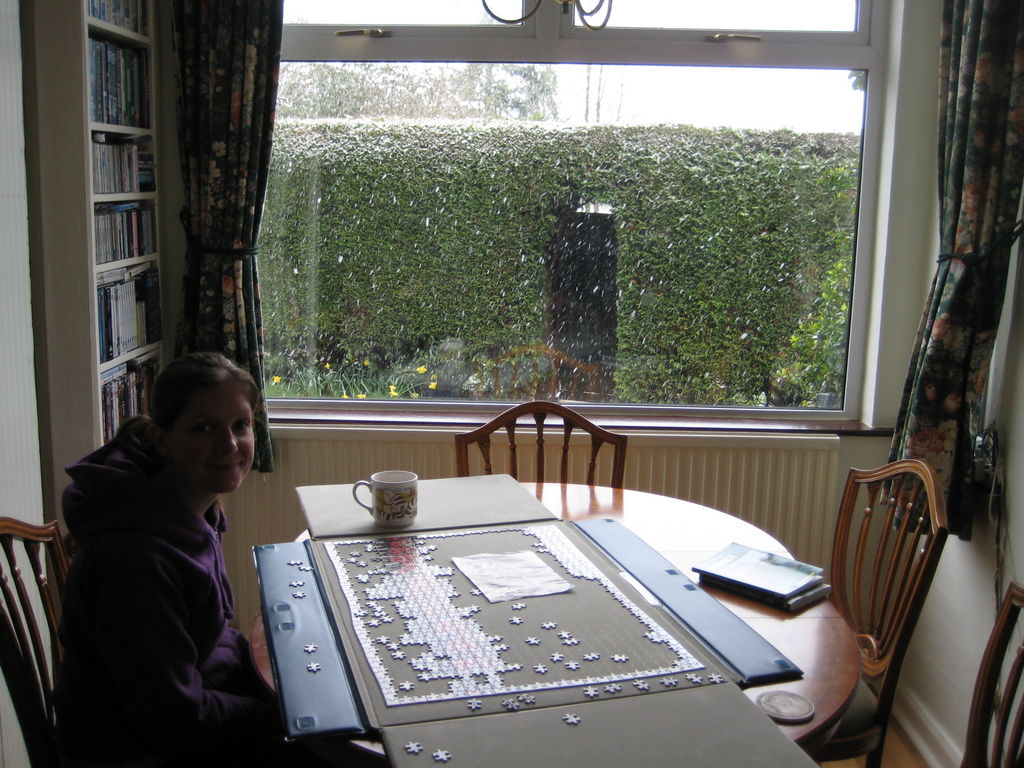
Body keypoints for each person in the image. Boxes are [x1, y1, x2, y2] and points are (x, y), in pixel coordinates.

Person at [54, 352, 287, 767]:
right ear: (163, 440)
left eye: (241, 425)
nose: (230, 445)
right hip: (134, 752)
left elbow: (211, 636)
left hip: (176, 721)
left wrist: (275, 677)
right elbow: (172, 717)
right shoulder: (133, 558)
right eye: (203, 428)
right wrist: (275, 712)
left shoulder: (190, 507)